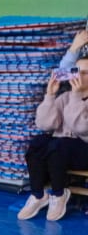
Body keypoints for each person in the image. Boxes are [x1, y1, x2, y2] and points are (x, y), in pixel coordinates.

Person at [20, 56, 88, 222]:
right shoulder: (64, 97)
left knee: (60, 144)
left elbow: (80, 127)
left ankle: (59, 194)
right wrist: (50, 95)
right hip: (60, 152)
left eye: (85, 73)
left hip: (83, 151)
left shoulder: (73, 97)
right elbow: (45, 125)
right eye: (77, 72)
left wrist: (77, 97)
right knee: (38, 142)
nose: (79, 76)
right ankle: (38, 195)